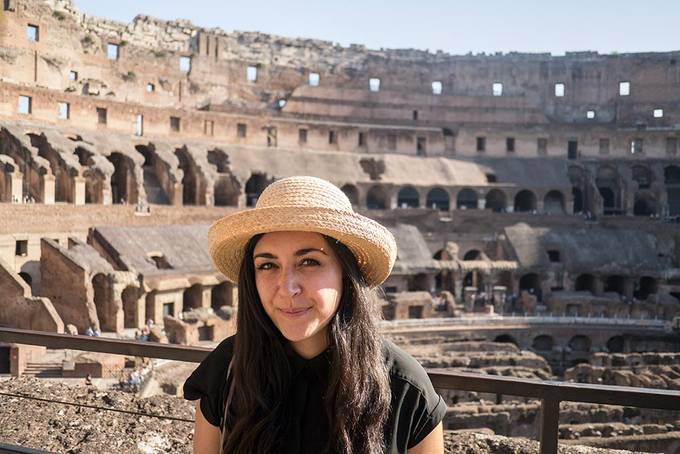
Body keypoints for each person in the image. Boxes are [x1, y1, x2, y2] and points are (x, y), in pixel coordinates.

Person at [184, 176, 445, 453]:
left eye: (309, 262)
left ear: (347, 272)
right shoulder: (227, 368)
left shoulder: (406, 388)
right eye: (268, 265)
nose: (287, 288)